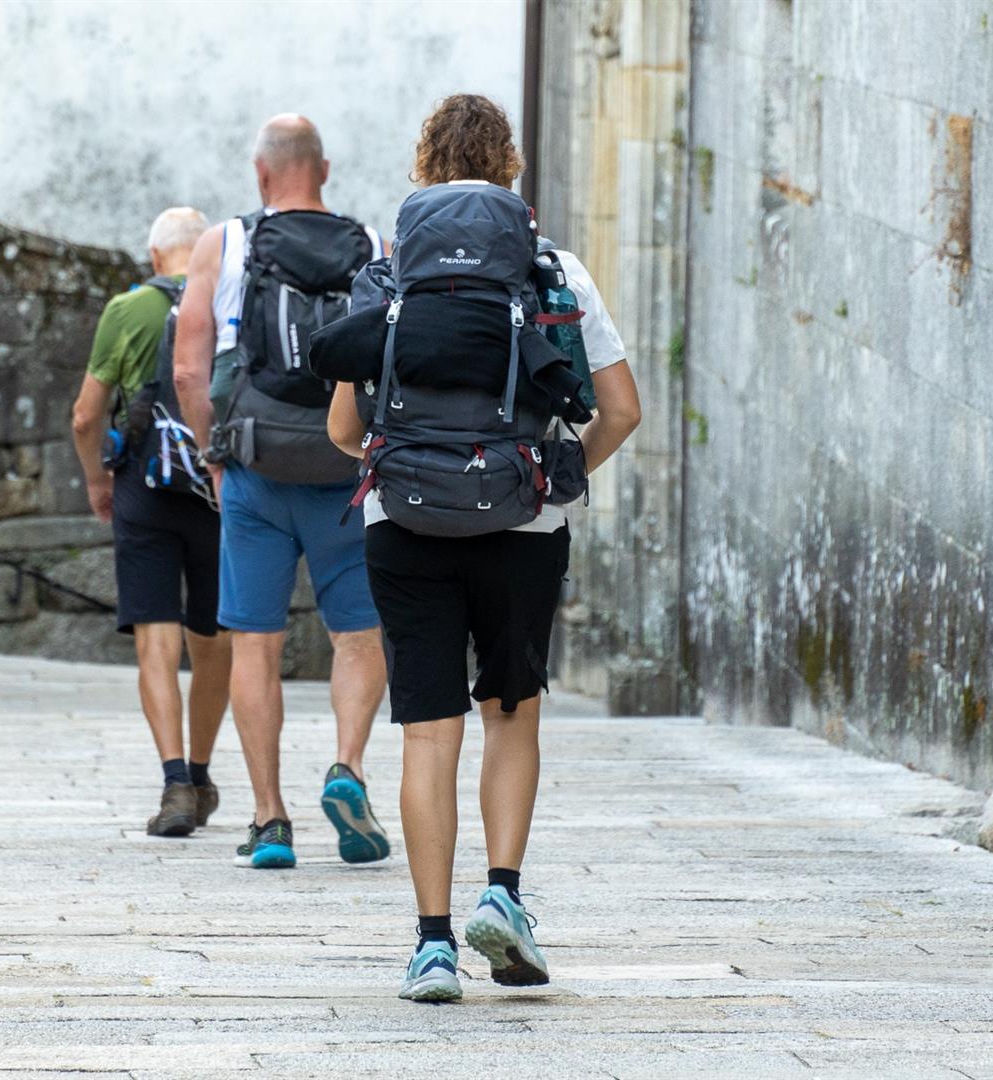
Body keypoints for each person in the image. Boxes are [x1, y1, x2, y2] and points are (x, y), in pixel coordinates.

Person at [323, 94, 642, 1001]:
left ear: (424, 168)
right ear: (511, 169)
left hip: (405, 524)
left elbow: (347, 428)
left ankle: (430, 945)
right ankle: (502, 897)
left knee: (429, 730)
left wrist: (401, 456)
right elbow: (621, 409)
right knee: (512, 709)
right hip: (522, 525)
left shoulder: (387, 275)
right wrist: (555, 471)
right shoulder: (554, 273)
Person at [172, 115, 392, 869]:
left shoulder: (223, 244)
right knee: (358, 635)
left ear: (262, 174)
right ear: (322, 170)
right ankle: (349, 766)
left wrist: (215, 454)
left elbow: (188, 370)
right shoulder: (372, 244)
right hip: (343, 470)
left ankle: (269, 821)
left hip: (257, 469)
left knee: (254, 643)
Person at [69, 206, 232, 837]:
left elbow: (87, 415)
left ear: (154, 254)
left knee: (155, 641)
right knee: (213, 638)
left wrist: (96, 479)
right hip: (219, 487)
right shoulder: (226, 300)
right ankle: (200, 770)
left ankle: (173, 786)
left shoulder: (128, 310)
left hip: (145, 487)